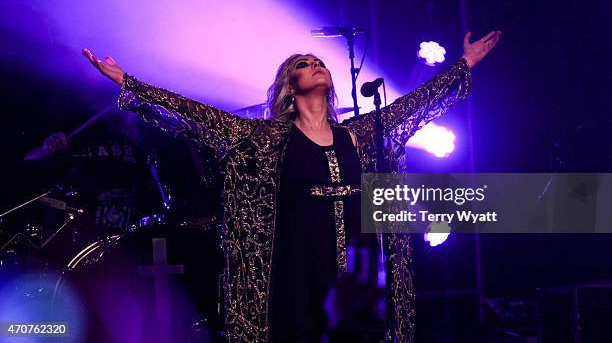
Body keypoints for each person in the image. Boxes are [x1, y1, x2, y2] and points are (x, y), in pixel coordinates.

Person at [82, 29, 501, 343]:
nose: (315, 64)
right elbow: (196, 115)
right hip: (299, 268)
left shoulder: (357, 134)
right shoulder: (268, 139)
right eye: (303, 64)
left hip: (356, 264)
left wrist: (463, 65)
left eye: (318, 61)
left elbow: (412, 106)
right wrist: (129, 84)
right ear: (288, 86)